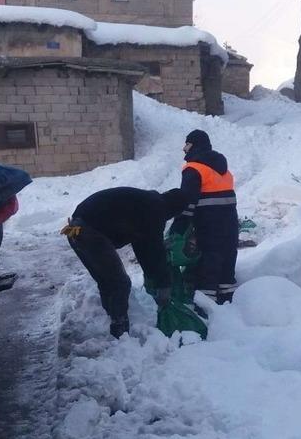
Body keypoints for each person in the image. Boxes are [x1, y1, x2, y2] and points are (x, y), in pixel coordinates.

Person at [61, 187, 187, 338]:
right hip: (88, 233)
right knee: (120, 283)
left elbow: (143, 249)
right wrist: (164, 284)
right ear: (174, 209)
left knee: (106, 280)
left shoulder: (145, 205)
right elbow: (155, 250)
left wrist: (153, 275)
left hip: (75, 230)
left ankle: (112, 322)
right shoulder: (155, 209)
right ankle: (120, 332)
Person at [170, 130, 239, 304]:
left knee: (208, 262)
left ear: (194, 145)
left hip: (208, 224)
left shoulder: (194, 169)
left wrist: (178, 227)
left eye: (187, 144)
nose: (184, 148)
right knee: (227, 261)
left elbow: (186, 202)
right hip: (229, 223)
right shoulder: (223, 169)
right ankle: (229, 303)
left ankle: (206, 308)